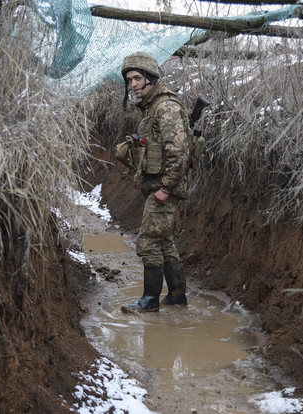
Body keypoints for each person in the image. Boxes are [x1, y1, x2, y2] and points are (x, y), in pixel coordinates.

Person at [117, 52, 189, 313]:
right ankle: (177, 297)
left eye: (137, 78)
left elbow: (179, 150)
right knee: (163, 242)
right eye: (129, 80)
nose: (133, 84)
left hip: (165, 188)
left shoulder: (166, 107)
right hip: (160, 186)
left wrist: (166, 188)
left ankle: (149, 302)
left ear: (151, 78)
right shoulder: (152, 108)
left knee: (148, 241)